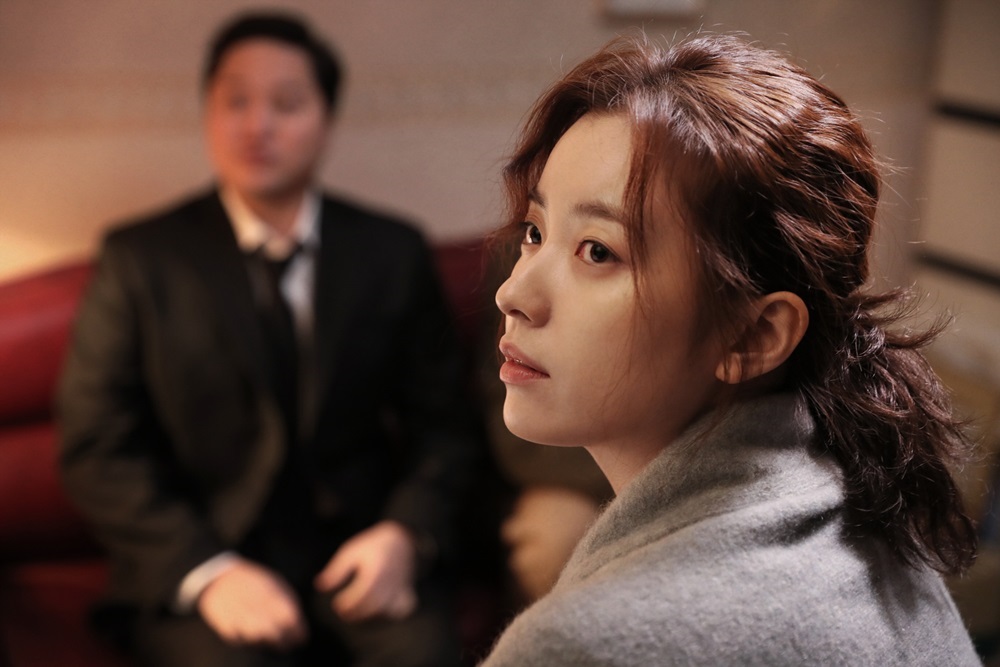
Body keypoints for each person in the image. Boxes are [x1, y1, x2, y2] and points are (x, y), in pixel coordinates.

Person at [479, 33, 981, 666]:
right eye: (534, 231)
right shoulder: (859, 504)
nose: (513, 294)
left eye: (598, 252)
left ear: (754, 336)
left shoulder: (586, 645)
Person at [57, 11, 477, 667]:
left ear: (326, 121)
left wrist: (405, 533)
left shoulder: (391, 252)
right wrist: (207, 571)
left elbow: (447, 427)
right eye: (237, 101)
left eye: (286, 103)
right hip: (208, 553)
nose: (258, 125)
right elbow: (96, 444)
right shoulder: (140, 259)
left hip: (358, 551)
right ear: (208, 113)